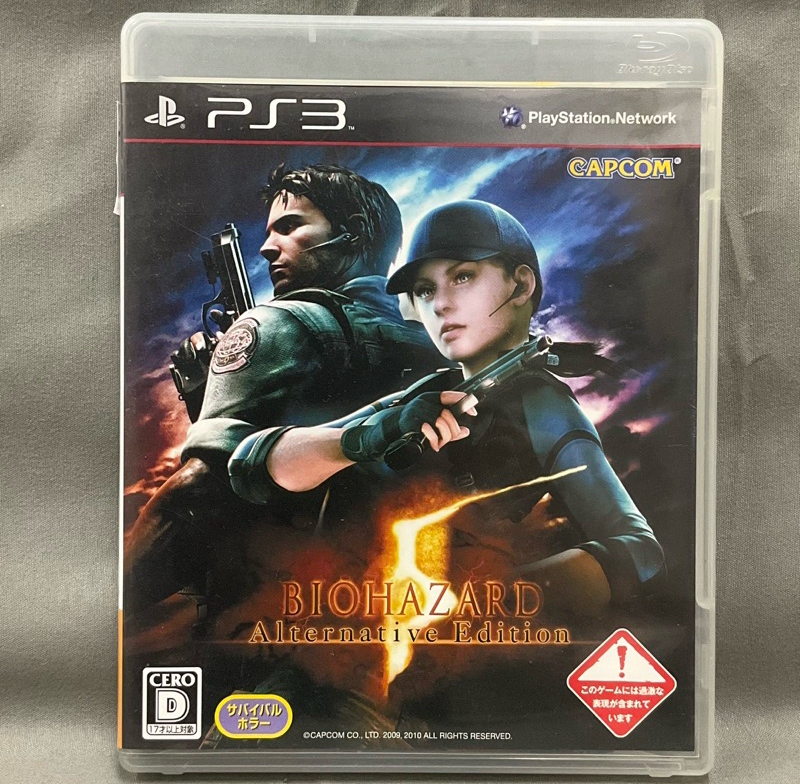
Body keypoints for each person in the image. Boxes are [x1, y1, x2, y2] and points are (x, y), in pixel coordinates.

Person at [232, 200, 664, 617]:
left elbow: (638, 549)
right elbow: (250, 466)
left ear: (520, 286)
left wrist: (476, 610)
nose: (439, 304)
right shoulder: (430, 393)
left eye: (462, 277)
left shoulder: (539, 402)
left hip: (429, 640)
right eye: (425, 290)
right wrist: (366, 437)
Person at [123, 164, 444, 615]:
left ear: (351, 232)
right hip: (407, 599)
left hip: (281, 611)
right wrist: (210, 398)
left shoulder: (277, 323)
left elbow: (202, 493)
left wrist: (116, 601)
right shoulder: (440, 343)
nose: (267, 247)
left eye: (290, 226)